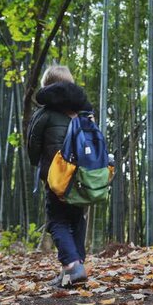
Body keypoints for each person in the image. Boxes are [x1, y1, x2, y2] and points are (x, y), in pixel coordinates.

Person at [27, 65, 92, 287]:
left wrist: (40, 163)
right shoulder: (84, 113)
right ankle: (73, 270)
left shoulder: (43, 114)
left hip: (57, 179)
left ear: (47, 86)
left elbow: (33, 149)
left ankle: (73, 267)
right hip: (82, 179)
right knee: (76, 220)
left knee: (57, 221)